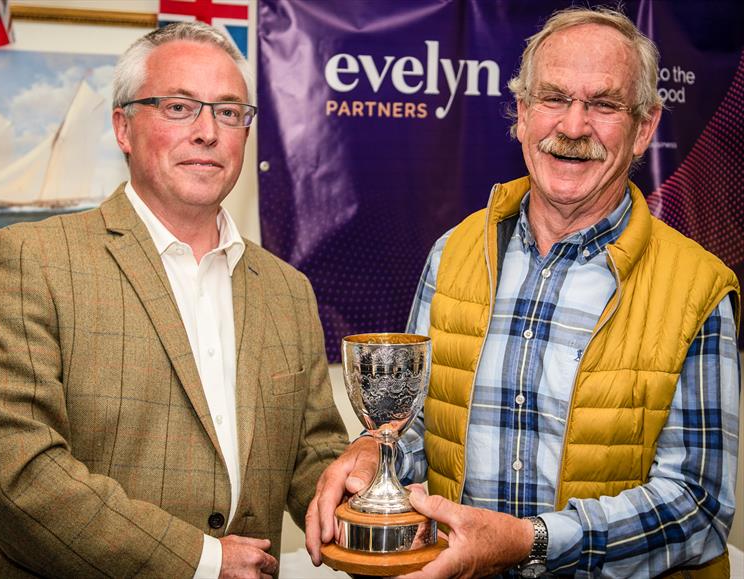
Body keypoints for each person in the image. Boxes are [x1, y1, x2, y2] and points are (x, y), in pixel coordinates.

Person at [306, 7, 740, 578]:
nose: (573, 126)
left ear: (645, 129)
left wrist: (531, 540)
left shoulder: (698, 289)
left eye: (604, 104)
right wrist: (375, 454)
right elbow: (416, 427)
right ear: (521, 113)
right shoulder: (454, 253)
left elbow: (698, 509)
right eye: (553, 98)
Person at [0, 22, 348, 579]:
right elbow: (14, 473)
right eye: (180, 107)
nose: (209, 131)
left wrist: (374, 513)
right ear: (123, 127)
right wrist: (202, 560)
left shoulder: (288, 289)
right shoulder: (27, 261)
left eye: (230, 111)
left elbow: (314, 457)